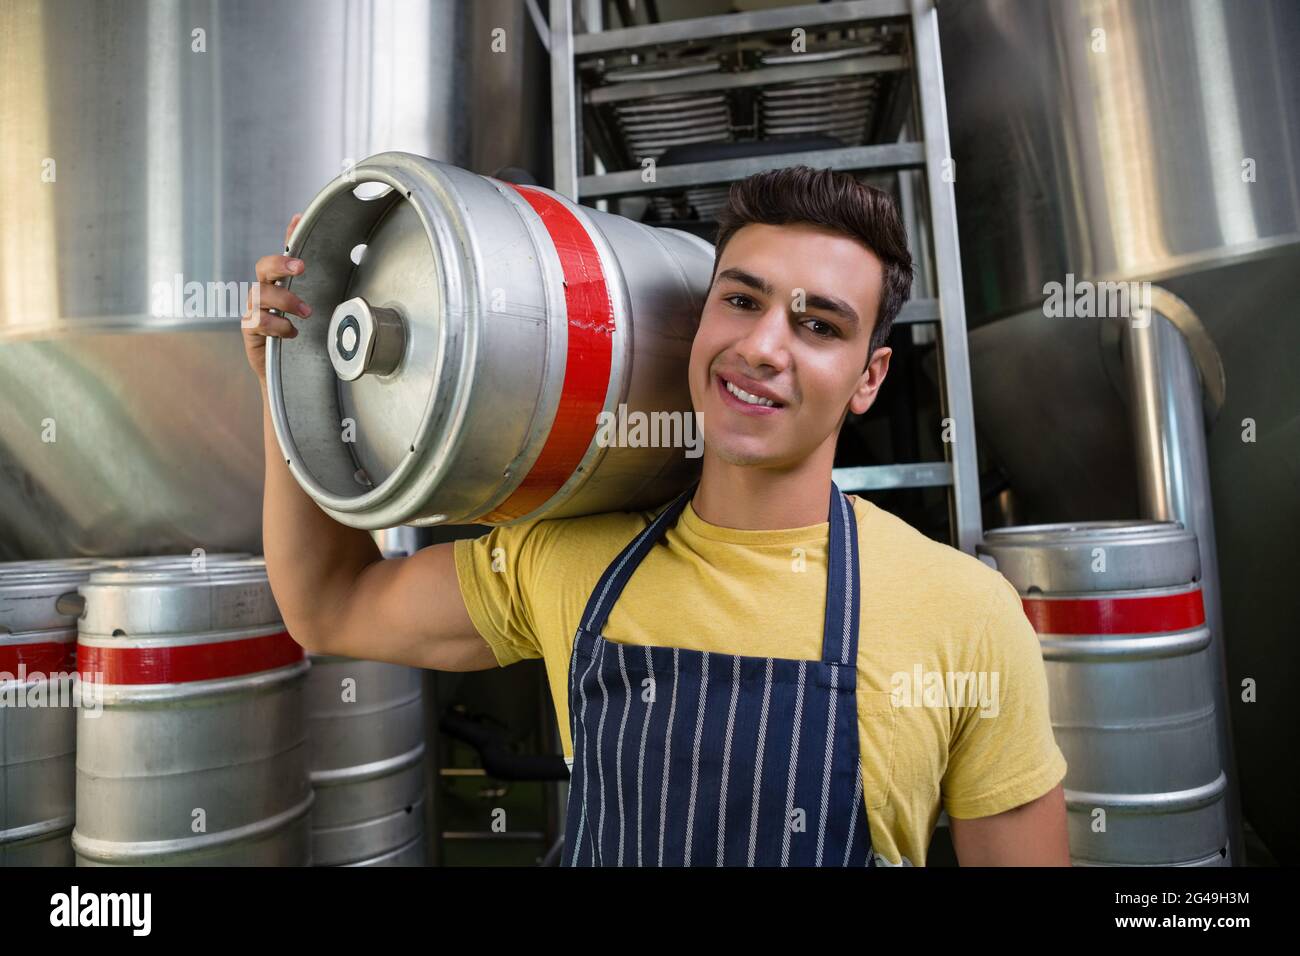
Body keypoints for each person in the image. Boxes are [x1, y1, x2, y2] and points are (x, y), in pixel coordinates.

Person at [243, 165, 1069, 867]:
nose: (763, 348)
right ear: (700, 320)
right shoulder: (565, 556)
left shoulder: (965, 614)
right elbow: (329, 606)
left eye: (818, 325)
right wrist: (292, 382)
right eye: (742, 302)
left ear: (869, 377)